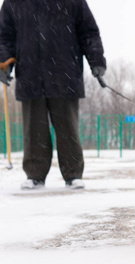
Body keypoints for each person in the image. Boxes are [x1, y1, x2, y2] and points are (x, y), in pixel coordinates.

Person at [0, 0, 106, 190]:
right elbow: (4, 36)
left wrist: (96, 60)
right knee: (34, 130)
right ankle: (35, 175)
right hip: (30, 74)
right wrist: (3, 63)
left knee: (68, 129)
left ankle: (73, 174)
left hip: (65, 73)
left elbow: (88, 31)